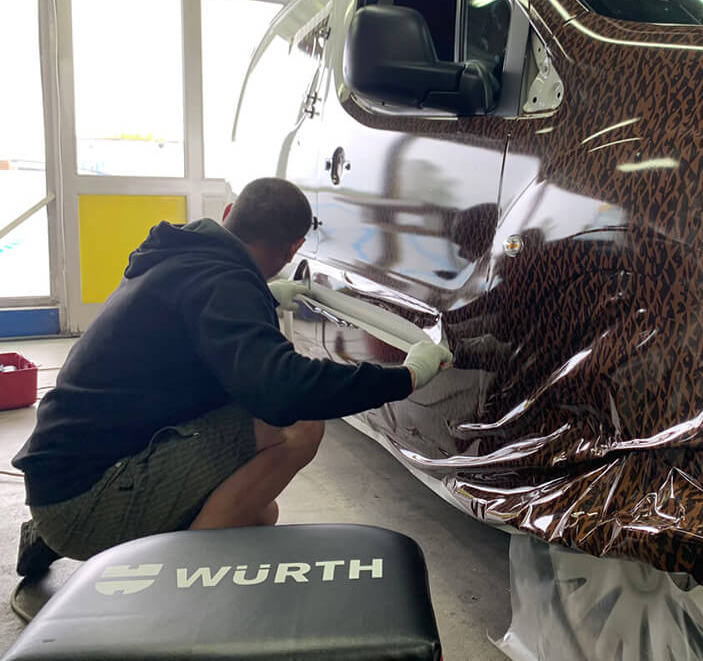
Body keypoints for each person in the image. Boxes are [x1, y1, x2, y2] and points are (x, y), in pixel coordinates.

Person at [12, 177, 452, 576]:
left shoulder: (185, 257)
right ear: (294, 249)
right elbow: (284, 391)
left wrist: (261, 296)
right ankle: (180, 588)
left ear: (228, 214)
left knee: (258, 516)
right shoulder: (223, 285)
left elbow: (212, 331)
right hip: (82, 499)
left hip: (63, 476)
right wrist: (405, 377)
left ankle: (56, 536)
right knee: (298, 428)